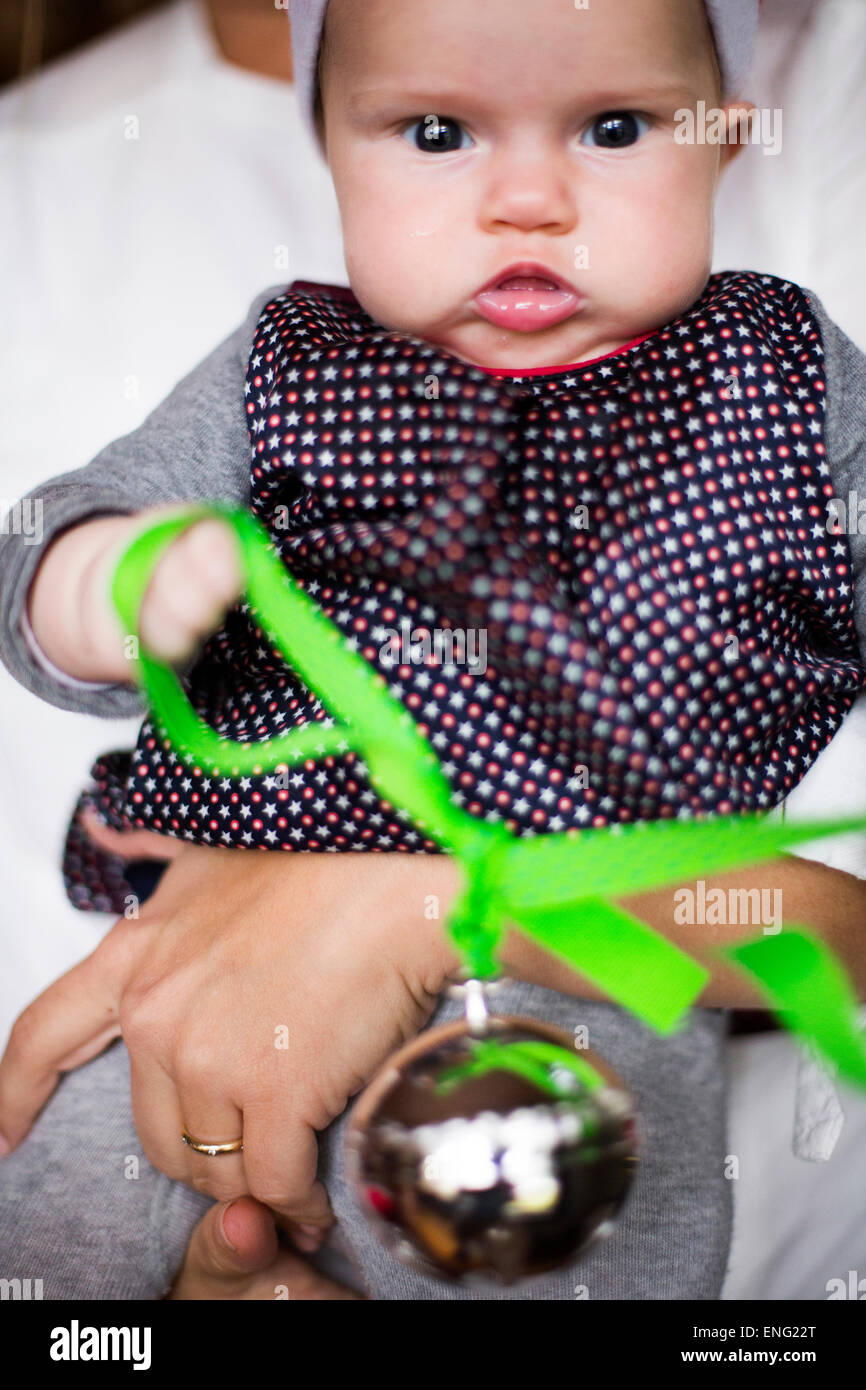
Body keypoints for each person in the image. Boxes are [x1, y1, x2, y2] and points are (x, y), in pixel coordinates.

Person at [2, 0, 866, 1302]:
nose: (526, 198)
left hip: (580, 1029)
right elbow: (54, 536)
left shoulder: (778, 381)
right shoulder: (286, 366)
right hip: (178, 1028)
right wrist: (114, 579)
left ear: (722, 141)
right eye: (435, 132)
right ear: (330, 152)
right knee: (72, 1249)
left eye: (614, 128)